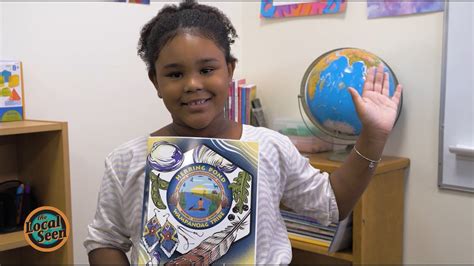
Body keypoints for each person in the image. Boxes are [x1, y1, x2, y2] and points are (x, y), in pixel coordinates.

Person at [84, 0, 403, 264]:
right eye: (175, 73)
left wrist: (373, 135)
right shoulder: (127, 160)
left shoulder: (270, 146)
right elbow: (104, 240)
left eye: (207, 69)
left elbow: (332, 204)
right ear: (156, 82)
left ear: (230, 70)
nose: (193, 84)